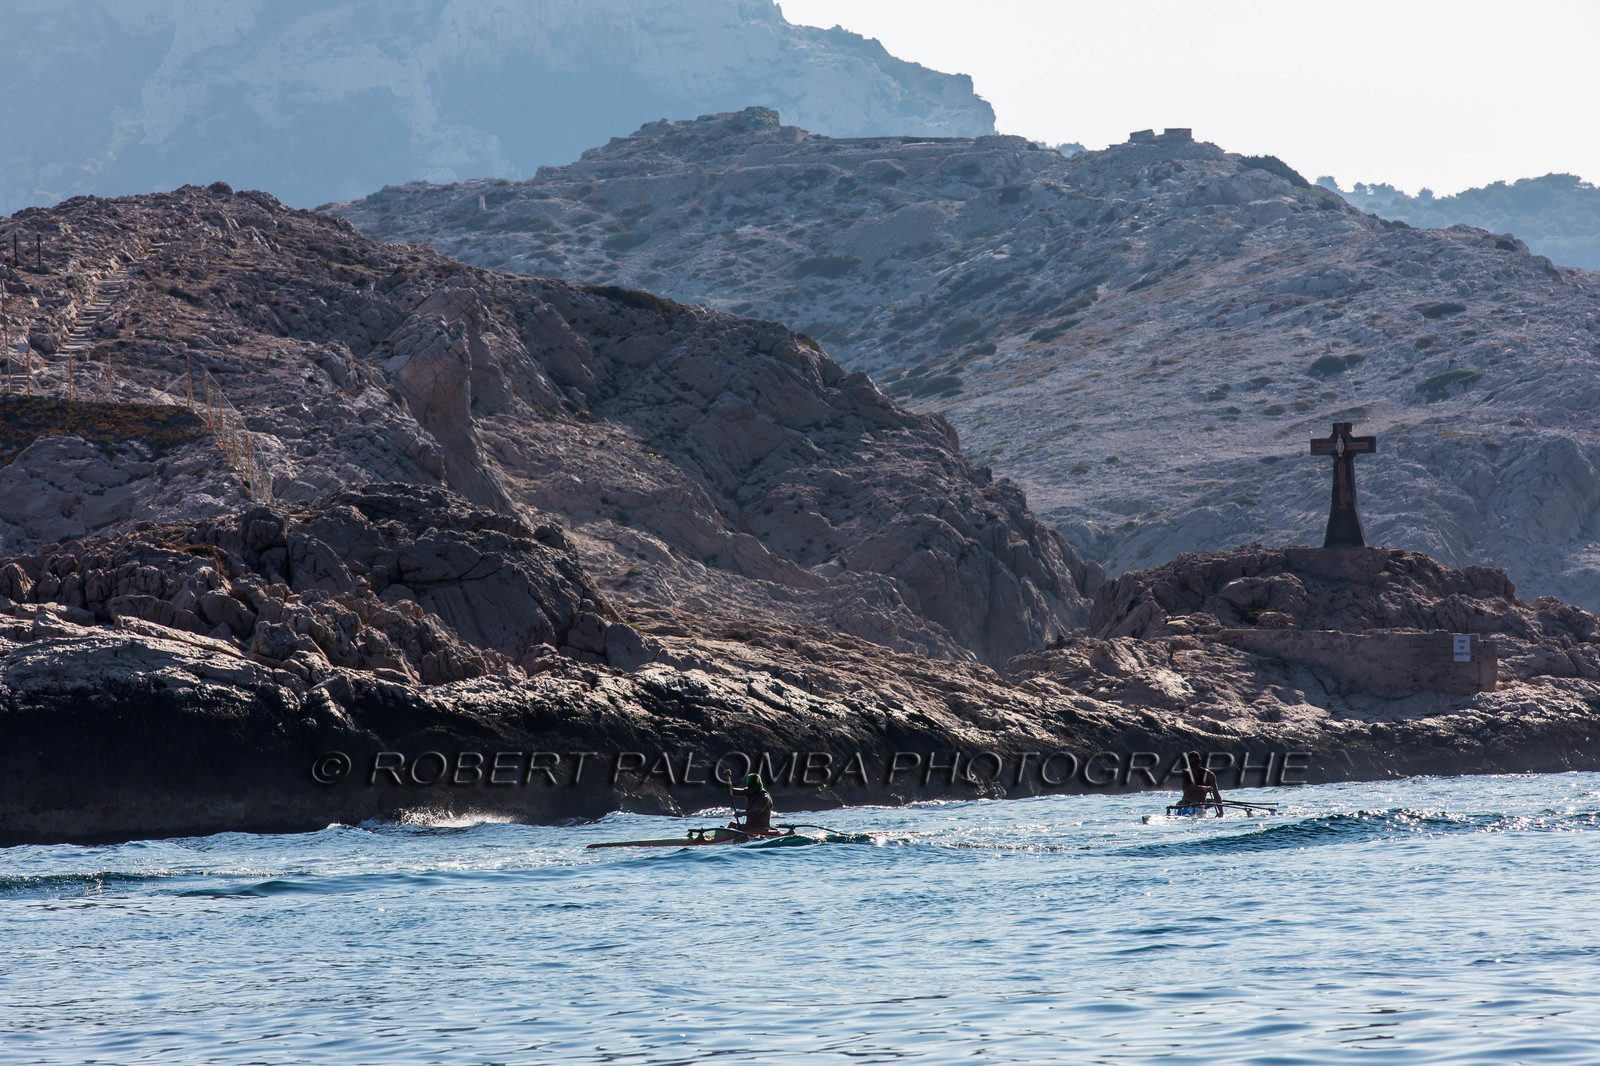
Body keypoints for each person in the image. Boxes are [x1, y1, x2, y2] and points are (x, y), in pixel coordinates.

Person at [1176, 750, 1224, 816]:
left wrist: (1221, 812)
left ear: (1199, 762)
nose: (1192, 766)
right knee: (1181, 803)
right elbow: (1190, 787)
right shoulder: (1186, 774)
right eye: (1190, 764)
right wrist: (1205, 788)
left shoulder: (1209, 775)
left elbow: (1216, 795)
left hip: (1199, 806)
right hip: (1185, 805)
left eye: (1193, 764)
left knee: (1195, 803)